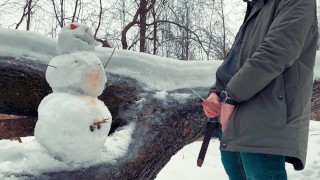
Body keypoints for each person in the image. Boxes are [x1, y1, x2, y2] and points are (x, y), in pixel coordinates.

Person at [202, 0, 318, 179]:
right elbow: (234, 61)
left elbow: (275, 52)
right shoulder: (256, 7)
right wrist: (215, 93)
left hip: (263, 122)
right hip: (232, 122)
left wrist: (230, 96)